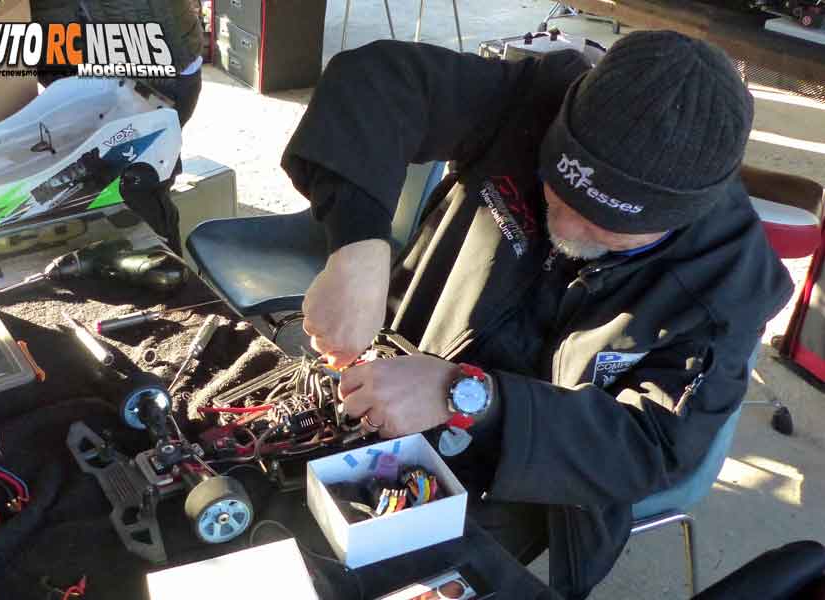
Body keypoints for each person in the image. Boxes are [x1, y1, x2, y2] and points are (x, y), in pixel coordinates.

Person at [281, 31, 794, 598]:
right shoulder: (536, 99)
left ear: (678, 219)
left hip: (531, 475)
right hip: (399, 361)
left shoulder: (730, 285)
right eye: (556, 191)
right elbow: (374, 80)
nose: (565, 229)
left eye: (606, 227)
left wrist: (468, 395)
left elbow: (652, 447)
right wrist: (358, 248)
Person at [73, 0, 205, 254]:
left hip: (159, 69)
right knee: (136, 178)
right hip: (125, 59)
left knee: (140, 184)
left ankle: (167, 268)